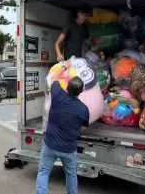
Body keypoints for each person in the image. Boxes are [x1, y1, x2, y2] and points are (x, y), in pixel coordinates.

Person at [36, 61, 89, 194]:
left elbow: (54, 78)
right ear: (81, 92)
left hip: (50, 145)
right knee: (71, 175)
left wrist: (66, 66)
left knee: (43, 172)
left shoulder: (58, 95)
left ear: (67, 86)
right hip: (69, 149)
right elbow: (82, 128)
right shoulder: (83, 109)